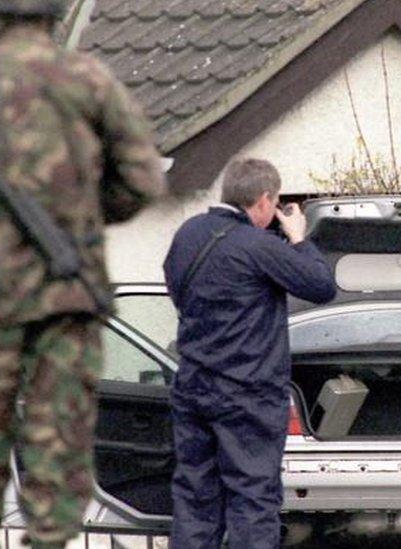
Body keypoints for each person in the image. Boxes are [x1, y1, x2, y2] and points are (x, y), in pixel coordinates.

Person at [0, 0, 166, 546]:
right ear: (55, 13)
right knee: (57, 438)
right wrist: (87, 217)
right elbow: (142, 180)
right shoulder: (89, 81)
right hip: (66, 297)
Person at [163, 158, 336, 549]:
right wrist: (298, 238)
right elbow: (321, 285)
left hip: (192, 389)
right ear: (263, 200)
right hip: (248, 397)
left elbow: (176, 286)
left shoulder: (188, 234)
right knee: (252, 503)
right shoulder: (258, 246)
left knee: (194, 502)